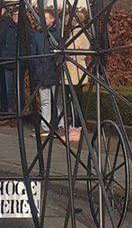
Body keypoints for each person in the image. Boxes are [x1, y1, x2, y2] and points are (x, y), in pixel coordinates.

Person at [31, 8, 61, 134]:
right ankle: (45, 126)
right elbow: (33, 53)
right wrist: (37, 68)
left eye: (46, 18)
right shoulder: (37, 34)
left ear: (52, 20)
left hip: (54, 71)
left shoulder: (57, 34)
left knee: (58, 101)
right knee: (45, 101)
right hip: (42, 72)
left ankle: (61, 126)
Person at [65, 8, 91, 143]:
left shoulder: (77, 34)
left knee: (74, 101)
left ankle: (76, 128)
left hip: (74, 71)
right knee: (76, 100)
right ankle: (76, 127)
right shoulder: (83, 33)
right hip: (77, 71)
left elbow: (72, 50)